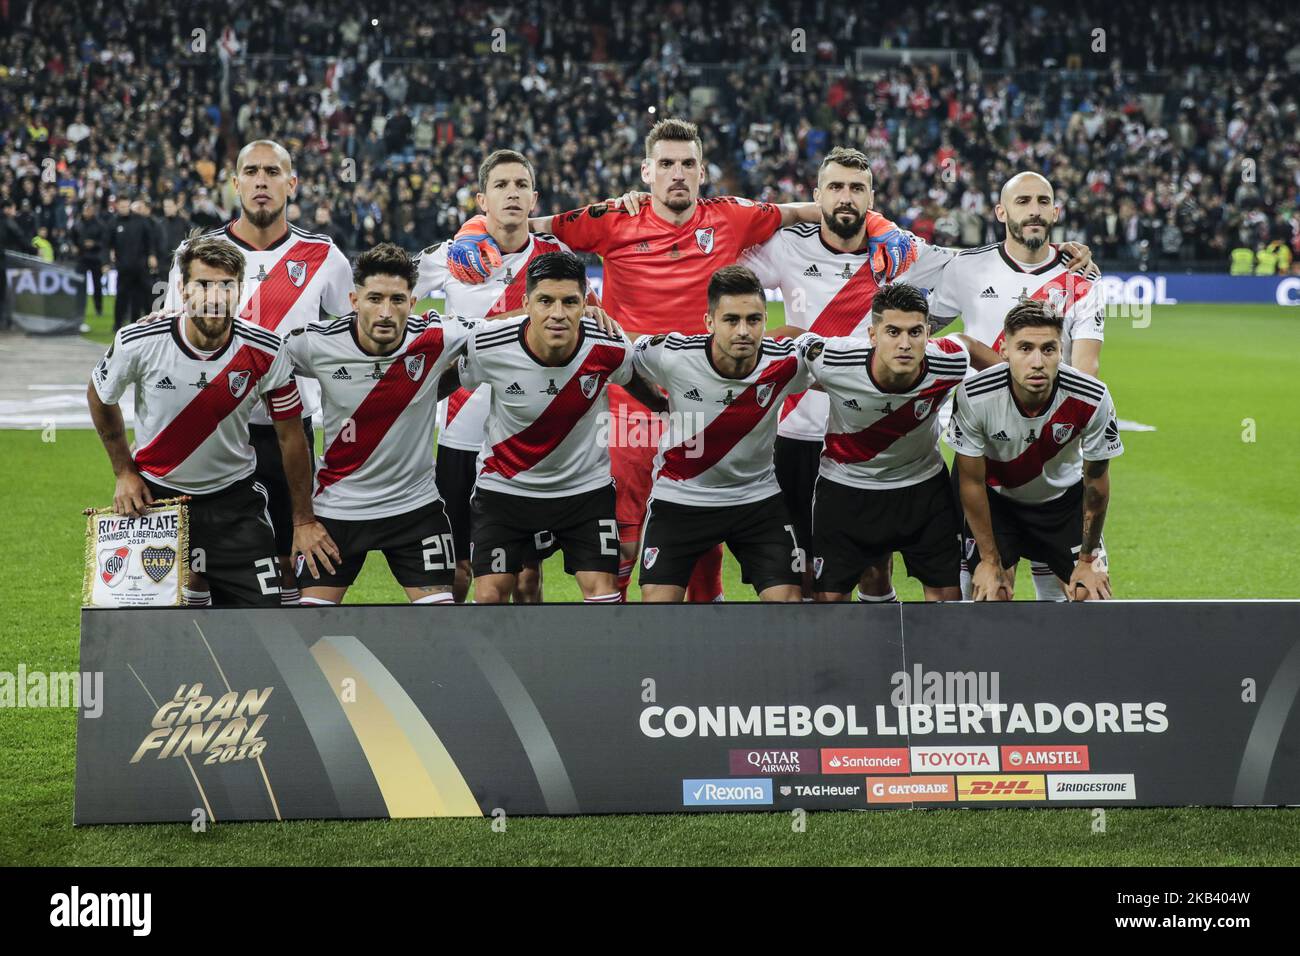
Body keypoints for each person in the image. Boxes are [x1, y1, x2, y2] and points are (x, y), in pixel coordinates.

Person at [448, 117, 829, 602]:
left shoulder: (733, 216)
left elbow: (811, 210)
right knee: (625, 542)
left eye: (687, 164)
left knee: (700, 537)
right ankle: (626, 655)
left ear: (702, 172)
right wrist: (472, 227)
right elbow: (522, 219)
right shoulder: (612, 218)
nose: (677, 173)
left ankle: (694, 660)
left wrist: (877, 224)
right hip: (631, 397)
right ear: (646, 172)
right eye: (666, 163)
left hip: (702, 402)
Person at [85, 237, 337, 607]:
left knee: (267, 619)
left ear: (239, 291)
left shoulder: (266, 351)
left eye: (226, 286)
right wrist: (124, 471)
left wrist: (302, 519)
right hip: (156, 502)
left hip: (235, 503)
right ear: (183, 291)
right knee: (141, 626)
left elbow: (291, 435)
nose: (215, 296)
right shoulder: (138, 341)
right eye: (204, 285)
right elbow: (99, 395)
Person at [162, 140, 354, 606]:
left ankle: (281, 669)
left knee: (291, 557)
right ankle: (201, 663)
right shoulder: (197, 255)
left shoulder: (325, 257)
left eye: (272, 172)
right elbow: (172, 341)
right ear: (235, 183)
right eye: (251, 171)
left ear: (292, 184)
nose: (261, 181)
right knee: (200, 567)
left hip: (287, 432)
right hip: (215, 431)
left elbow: (349, 337)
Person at [414, 149, 595, 603]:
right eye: (501, 186)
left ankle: (526, 669)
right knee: (457, 571)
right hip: (461, 428)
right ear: (482, 199)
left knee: (526, 578)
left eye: (520, 186)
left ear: (534, 200)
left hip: (527, 435)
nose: (511, 194)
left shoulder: (556, 257)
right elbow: (394, 292)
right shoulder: (451, 256)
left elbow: (582, 316)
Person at [926, 171, 1107, 601]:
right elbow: (920, 334)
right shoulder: (966, 268)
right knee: (985, 596)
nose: (1035, 210)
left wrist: (980, 355)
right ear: (1001, 211)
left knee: (1086, 599)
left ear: (1056, 213)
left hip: (1054, 455)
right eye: (1023, 201)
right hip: (983, 455)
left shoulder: (1082, 280)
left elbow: (1085, 375)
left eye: (1044, 202)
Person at [456, 251, 665, 604]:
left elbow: (637, 383)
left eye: (570, 302)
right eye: (545, 301)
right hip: (506, 489)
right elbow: (441, 383)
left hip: (584, 491)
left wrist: (668, 407)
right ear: (526, 303)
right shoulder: (489, 344)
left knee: (603, 593)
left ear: (585, 304)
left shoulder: (608, 346)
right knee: (490, 597)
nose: (557, 313)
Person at [282, 244, 476, 606]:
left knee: (445, 627)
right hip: (336, 511)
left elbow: (508, 328)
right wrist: (302, 522)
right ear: (354, 300)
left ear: (413, 302)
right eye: (374, 298)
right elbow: (248, 355)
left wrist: (583, 313)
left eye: (397, 300)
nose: (386, 312)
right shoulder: (315, 343)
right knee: (306, 628)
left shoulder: (437, 337)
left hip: (414, 510)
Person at [788, 283, 998, 602]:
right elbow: (796, 339)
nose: (905, 344)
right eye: (892, 332)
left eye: (915, 332)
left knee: (947, 600)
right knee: (830, 606)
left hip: (923, 489)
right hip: (846, 490)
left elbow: (970, 346)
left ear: (928, 333)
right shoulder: (833, 358)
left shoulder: (947, 361)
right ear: (873, 335)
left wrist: (1014, 385)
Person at [631, 266, 810, 603]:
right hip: (680, 498)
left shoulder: (786, 362)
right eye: (731, 320)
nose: (743, 331)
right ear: (709, 322)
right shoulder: (674, 355)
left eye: (754, 319)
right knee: (656, 609)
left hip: (756, 498)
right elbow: (621, 353)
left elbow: (843, 368)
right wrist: (656, 402)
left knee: (788, 605)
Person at [946, 300, 1123, 602]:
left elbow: (1096, 483)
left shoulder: (1092, 397)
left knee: (1091, 596)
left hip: (1063, 505)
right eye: (1025, 348)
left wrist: (1087, 560)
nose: (1038, 362)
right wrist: (989, 561)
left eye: (1048, 349)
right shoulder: (975, 396)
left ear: (1061, 351)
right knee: (990, 595)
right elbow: (971, 482)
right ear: (1004, 350)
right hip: (998, 504)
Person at [109, 195, 157, 332]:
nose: (124, 208)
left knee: (140, 296)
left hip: (140, 266)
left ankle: (138, 323)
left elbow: (150, 239)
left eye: (126, 205)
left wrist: (152, 255)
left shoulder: (140, 221)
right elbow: (107, 243)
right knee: (121, 296)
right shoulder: (113, 223)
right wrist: (107, 259)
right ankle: (117, 323)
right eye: (122, 206)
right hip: (123, 267)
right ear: (117, 206)